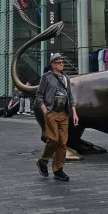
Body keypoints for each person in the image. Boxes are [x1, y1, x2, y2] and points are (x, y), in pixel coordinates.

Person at [36, 53, 78, 181]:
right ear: (53, 65)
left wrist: (74, 113)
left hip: (64, 114)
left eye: (62, 62)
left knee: (63, 143)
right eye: (59, 63)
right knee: (53, 139)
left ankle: (58, 169)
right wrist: (45, 111)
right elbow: (39, 96)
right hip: (51, 112)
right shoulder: (46, 77)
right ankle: (43, 161)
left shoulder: (66, 78)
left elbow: (70, 96)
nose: (62, 64)